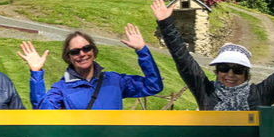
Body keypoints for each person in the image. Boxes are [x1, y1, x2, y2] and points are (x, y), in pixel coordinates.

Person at [150, 0, 274, 110]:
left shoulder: (259, 95)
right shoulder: (206, 92)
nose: (230, 74)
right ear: (217, 70)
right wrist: (166, 24)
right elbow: (183, 58)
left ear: (246, 74)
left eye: (237, 70)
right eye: (224, 68)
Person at [18, 25, 164, 109]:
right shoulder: (61, 89)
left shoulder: (114, 80)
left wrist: (141, 51)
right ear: (68, 57)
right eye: (75, 52)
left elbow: (153, 86)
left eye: (86, 48)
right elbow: (43, 113)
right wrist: (36, 73)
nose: (82, 54)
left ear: (93, 50)